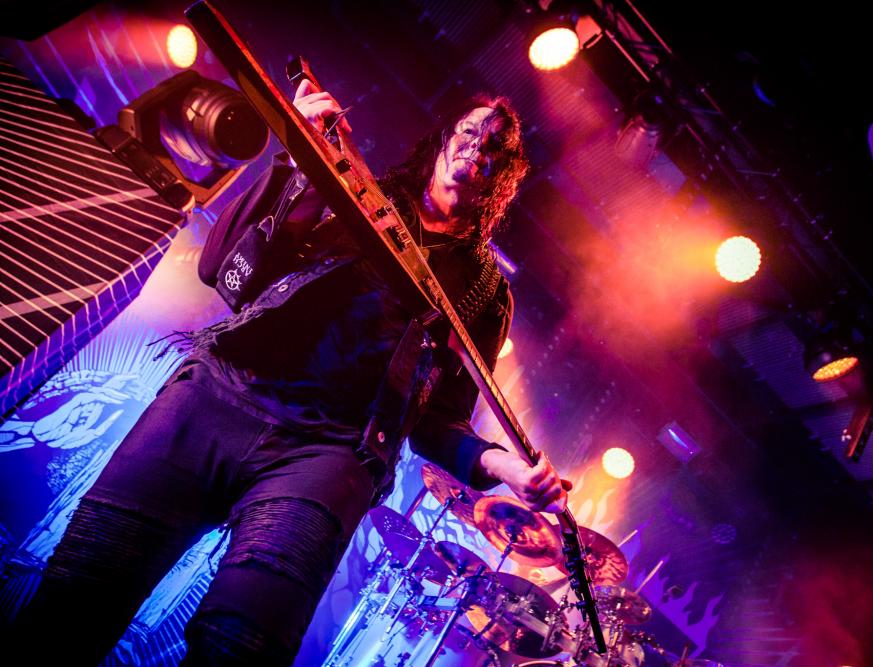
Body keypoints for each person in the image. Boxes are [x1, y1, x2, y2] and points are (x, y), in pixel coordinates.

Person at [4, 79, 569, 665]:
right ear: (443, 139)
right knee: (75, 598)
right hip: (218, 398)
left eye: (494, 148)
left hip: (327, 456)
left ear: (502, 179)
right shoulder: (353, 189)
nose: (476, 148)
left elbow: (436, 420)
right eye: (469, 131)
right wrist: (300, 154)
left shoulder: (484, 290)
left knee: (240, 647)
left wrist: (504, 466)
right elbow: (222, 269)